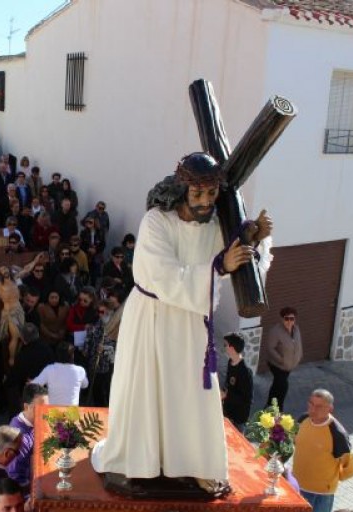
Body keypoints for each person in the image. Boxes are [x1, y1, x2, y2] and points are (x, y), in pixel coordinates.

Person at [91, 152, 273, 487]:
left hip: (191, 324)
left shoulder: (219, 224)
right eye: (198, 194)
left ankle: (194, 464)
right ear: (183, 188)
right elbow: (158, 275)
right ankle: (139, 460)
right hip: (152, 318)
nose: (205, 202)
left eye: (211, 194)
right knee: (145, 389)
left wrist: (253, 240)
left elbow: (245, 263)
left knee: (190, 394)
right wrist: (218, 267)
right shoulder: (156, 222)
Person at [293, 389, 353, 512]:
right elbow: (295, 443)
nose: (313, 409)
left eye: (319, 406)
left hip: (319, 496)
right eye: (311, 404)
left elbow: (351, 468)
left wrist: (330, 480)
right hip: (295, 487)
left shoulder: (337, 433)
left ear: (330, 408)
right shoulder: (302, 420)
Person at [7, 383, 49, 491]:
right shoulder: (21, 439)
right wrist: (32, 492)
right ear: (26, 407)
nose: (45, 413)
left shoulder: (31, 421)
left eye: (46, 408)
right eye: (40, 409)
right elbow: (14, 476)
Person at [265, 306, 303, 411]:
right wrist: (281, 360)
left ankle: (269, 405)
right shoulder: (275, 331)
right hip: (277, 364)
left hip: (289, 365)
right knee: (283, 386)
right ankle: (278, 408)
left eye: (292, 319)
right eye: (287, 318)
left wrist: (299, 356)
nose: (289, 321)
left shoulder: (296, 329)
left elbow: (298, 344)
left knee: (277, 385)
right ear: (282, 319)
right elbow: (270, 348)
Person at [221, 332, 253, 432]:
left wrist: (226, 395)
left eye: (225, 345)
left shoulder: (245, 372)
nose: (224, 347)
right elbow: (229, 384)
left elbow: (246, 399)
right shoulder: (230, 362)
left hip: (238, 418)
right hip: (228, 412)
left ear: (232, 347)